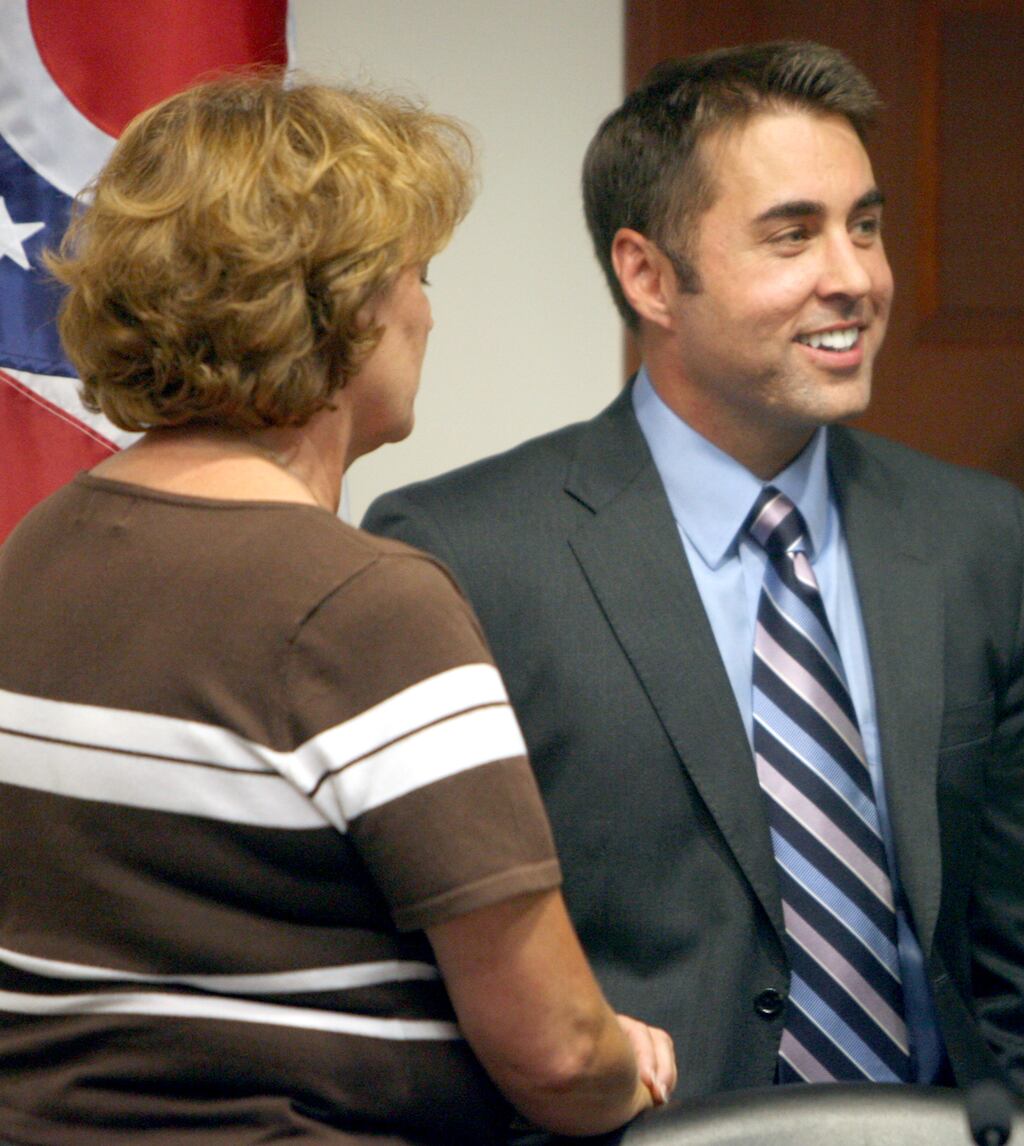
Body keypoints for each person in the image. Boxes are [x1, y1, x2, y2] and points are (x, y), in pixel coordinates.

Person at [364, 41, 1024, 1105]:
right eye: (793, 235)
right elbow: (433, 980)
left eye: (867, 226)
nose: (856, 277)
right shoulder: (463, 552)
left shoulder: (974, 536)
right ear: (648, 275)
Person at [0, 75, 674, 1143]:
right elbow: (552, 1052)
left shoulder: (38, 546)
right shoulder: (363, 609)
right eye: (417, 274)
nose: (426, 311)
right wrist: (620, 1070)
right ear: (342, 305)